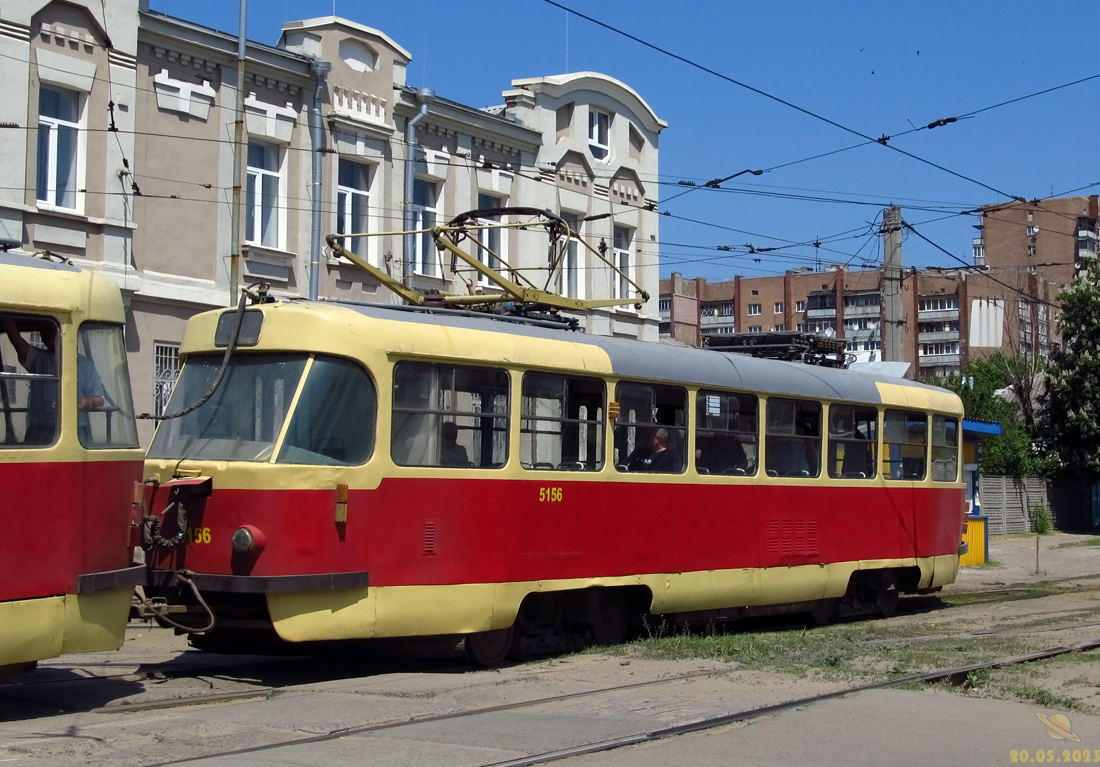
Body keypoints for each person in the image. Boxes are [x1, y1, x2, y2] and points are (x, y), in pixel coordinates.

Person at [2, 318, 105, 445]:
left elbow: (100, 399)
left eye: (49, 330)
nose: (44, 334)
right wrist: (7, 319)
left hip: (75, 432)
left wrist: (89, 402)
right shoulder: (40, 358)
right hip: (39, 431)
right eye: (43, 330)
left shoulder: (84, 365)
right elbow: (18, 343)